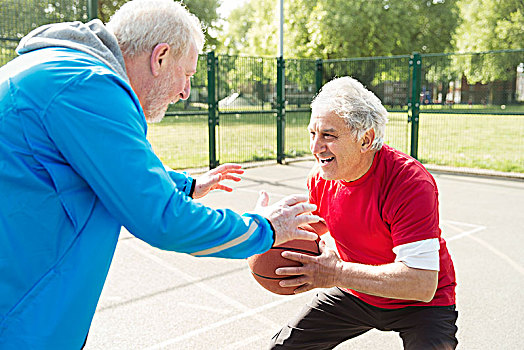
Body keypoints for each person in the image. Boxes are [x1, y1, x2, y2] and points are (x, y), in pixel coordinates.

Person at [0, 0, 320, 348]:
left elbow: (104, 168)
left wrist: (188, 185)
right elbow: (164, 219)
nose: (185, 92)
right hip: (20, 319)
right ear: (161, 57)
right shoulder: (87, 85)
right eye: (187, 75)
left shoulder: (57, 69)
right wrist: (266, 229)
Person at [269, 77, 458, 349]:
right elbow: (313, 226)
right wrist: (267, 228)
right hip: (357, 293)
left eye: (328, 135)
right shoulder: (322, 178)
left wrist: (336, 273)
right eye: (313, 133)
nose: (315, 147)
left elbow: (421, 283)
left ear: (365, 139)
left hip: (421, 304)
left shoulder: (409, 183)